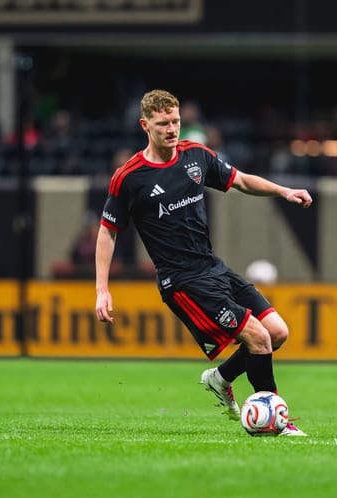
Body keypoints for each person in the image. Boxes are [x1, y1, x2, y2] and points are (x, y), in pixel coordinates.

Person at [95, 89, 313, 436]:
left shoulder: (196, 156)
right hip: (182, 281)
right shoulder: (129, 177)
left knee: (277, 333)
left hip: (213, 267)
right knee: (257, 337)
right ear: (145, 125)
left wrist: (283, 191)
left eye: (176, 121)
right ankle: (274, 422)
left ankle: (221, 377)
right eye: (163, 123)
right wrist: (102, 290)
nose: (172, 129)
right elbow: (108, 232)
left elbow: (240, 180)